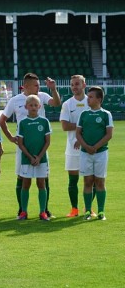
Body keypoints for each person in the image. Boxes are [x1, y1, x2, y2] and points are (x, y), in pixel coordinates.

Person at [0, 72, 60, 218]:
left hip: (40, 145)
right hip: (23, 146)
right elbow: (2, 120)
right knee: (22, 178)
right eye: (36, 85)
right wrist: (10, 138)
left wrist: (53, 89)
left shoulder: (42, 96)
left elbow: (56, 103)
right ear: (26, 86)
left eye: (39, 84)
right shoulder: (15, 100)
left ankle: (45, 210)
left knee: (44, 178)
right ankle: (22, 210)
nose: (39, 87)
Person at [76, 86, 113, 221]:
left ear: (99, 99)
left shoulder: (106, 114)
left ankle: (101, 211)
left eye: (91, 97)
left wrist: (95, 147)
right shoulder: (83, 114)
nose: (88, 99)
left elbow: (109, 134)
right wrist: (86, 146)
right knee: (87, 181)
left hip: (101, 153)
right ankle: (87, 211)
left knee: (100, 182)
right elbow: (78, 133)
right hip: (85, 153)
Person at [16, 95, 52, 221]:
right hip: (27, 160)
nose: (33, 107)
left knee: (41, 184)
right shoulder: (22, 123)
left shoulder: (44, 122)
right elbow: (20, 143)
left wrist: (39, 157)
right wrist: (30, 157)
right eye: (30, 105)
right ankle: (24, 212)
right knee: (26, 184)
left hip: (41, 159)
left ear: (39, 106)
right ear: (26, 107)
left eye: (35, 105)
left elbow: (47, 142)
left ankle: (42, 212)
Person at [59, 75, 89, 217]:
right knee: (73, 180)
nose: (74, 87)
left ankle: (88, 208)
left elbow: (96, 125)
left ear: (84, 85)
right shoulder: (67, 104)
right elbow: (64, 126)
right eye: (72, 85)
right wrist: (82, 129)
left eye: (77, 84)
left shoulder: (91, 102)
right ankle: (74, 209)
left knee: (90, 179)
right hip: (72, 148)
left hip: (89, 147)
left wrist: (79, 132)